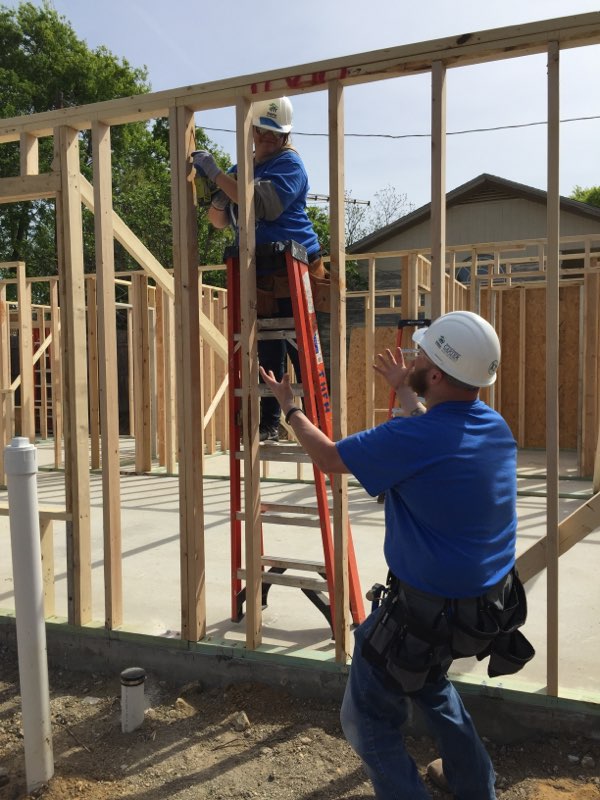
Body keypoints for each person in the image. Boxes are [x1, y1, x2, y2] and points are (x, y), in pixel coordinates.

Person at [260, 310, 534, 800]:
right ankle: (478, 788)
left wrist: (291, 407)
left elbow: (328, 457)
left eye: (421, 355)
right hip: (486, 611)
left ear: (435, 374)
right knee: (431, 684)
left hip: (426, 614)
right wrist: (406, 393)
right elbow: (439, 438)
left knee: (363, 719)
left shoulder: (412, 439)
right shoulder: (493, 427)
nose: (413, 357)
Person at [194, 96, 329, 443]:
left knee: (303, 351)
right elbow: (219, 222)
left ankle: (317, 428)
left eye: (275, 134)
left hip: (297, 268)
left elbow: (262, 206)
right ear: (252, 130)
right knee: (269, 350)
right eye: (262, 131)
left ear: (286, 136)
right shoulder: (245, 168)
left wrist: (218, 176)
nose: (268, 139)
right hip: (262, 270)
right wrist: (219, 195)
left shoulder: (290, 165)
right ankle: (269, 423)